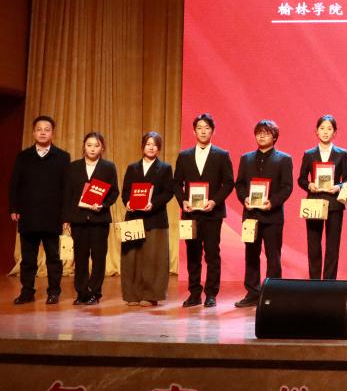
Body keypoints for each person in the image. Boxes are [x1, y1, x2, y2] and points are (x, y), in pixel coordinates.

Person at [173, 113, 235, 308]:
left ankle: (211, 294)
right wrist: (183, 201)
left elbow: (229, 182)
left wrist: (214, 201)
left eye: (207, 128)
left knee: (212, 254)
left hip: (212, 214)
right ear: (194, 131)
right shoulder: (184, 156)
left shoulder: (222, 155)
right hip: (190, 214)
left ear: (212, 131)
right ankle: (194, 293)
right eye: (199, 128)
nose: (203, 131)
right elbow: (176, 183)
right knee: (192, 254)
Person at [9, 115, 70, 305]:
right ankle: (27, 292)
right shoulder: (23, 156)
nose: (43, 132)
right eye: (39, 129)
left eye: (47, 129)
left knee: (53, 257)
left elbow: (66, 188)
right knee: (28, 258)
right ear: (34, 132)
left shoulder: (62, 157)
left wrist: (65, 216)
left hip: (52, 215)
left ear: (53, 133)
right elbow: (15, 184)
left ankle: (54, 292)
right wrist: (14, 207)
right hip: (28, 214)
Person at [234, 120, 294, 308]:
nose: (262, 135)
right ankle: (252, 293)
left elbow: (287, 187)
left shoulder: (284, 159)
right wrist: (244, 198)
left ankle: (273, 294)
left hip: (272, 216)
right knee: (251, 255)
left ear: (274, 137)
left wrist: (272, 203)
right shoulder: (246, 158)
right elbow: (239, 184)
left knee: (273, 256)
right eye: (259, 132)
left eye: (266, 133)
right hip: (250, 215)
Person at [64, 131, 119, 305]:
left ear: (102, 148)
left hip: (99, 220)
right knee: (80, 257)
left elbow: (114, 192)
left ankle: (95, 292)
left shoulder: (108, 167)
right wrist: (66, 218)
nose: (92, 149)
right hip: (78, 219)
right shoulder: (73, 167)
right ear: (84, 147)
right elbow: (67, 194)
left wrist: (103, 205)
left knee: (98, 257)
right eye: (89, 145)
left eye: (96, 145)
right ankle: (81, 292)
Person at [120, 131, 174, 306]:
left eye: (155, 145)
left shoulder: (165, 168)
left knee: (153, 259)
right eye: (148, 144)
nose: (151, 147)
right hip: (133, 218)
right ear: (143, 146)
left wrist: (153, 204)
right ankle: (132, 295)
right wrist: (127, 202)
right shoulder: (132, 168)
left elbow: (168, 192)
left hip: (155, 219)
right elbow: (125, 192)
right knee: (131, 258)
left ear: (159, 148)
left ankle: (151, 295)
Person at [296, 115, 347, 281]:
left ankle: (329, 282)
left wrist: (338, 187)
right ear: (316, 131)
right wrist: (309, 185)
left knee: (332, 246)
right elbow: (301, 179)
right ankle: (314, 282)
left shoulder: (342, 154)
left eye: (329, 129)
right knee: (313, 245)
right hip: (314, 202)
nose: (325, 132)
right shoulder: (309, 154)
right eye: (322, 128)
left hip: (335, 204)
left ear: (335, 132)